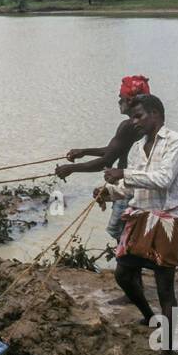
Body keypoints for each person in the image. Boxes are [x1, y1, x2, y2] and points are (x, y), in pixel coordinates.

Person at [94, 94, 178, 354]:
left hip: (165, 220)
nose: (134, 122)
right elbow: (130, 188)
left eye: (139, 116)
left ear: (157, 114)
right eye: (133, 117)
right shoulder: (138, 148)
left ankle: (169, 348)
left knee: (164, 288)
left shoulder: (176, 142)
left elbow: (164, 179)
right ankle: (149, 316)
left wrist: (122, 173)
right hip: (138, 217)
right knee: (123, 275)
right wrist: (109, 192)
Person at [54, 75, 151, 243]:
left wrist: (70, 169)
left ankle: (131, 262)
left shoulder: (128, 126)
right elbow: (113, 150)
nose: (118, 101)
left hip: (127, 185)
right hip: (140, 183)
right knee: (130, 230)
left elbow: (106, 162)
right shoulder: (145, 124)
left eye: (120, 98)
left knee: (118, 230)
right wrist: (84, 151)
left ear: (129, 100)